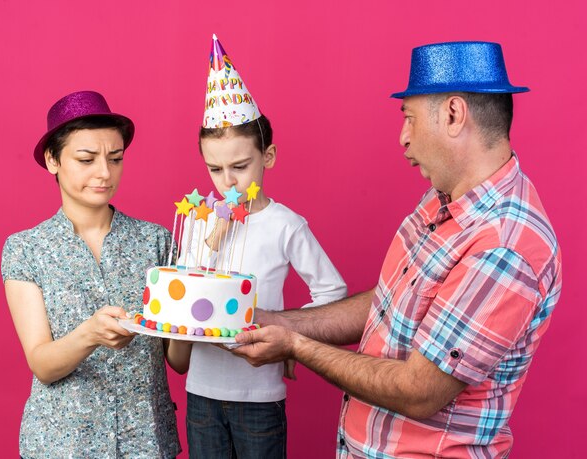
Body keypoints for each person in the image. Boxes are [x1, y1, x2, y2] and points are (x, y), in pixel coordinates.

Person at [231, 41, 562, 458]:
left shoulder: (504, 245)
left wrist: (295, 347)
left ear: (454, 115)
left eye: (409, 118)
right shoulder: (441, 198)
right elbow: (392, 302)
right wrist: (273, 321)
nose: (403, 137)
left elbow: (419, 391)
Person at [180, 35, 348, 458]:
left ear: (267, 157)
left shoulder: (284, 224)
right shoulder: (197, 220)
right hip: (200, 391)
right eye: (215, 169)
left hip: (259, 396)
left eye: (240, 166)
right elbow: (183, 294)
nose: (227, 182)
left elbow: (333, 292)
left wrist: (291, 337)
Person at [2, 90, 191, 458]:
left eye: (115, 158)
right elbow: (42, 364)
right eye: (86, 159)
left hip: (147, 443)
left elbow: (178, 361)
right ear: (52, 159)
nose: (104, 173)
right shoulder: (25, 249)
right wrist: (89, 334)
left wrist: (192, 311)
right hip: (60, 445)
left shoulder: (158, 242)